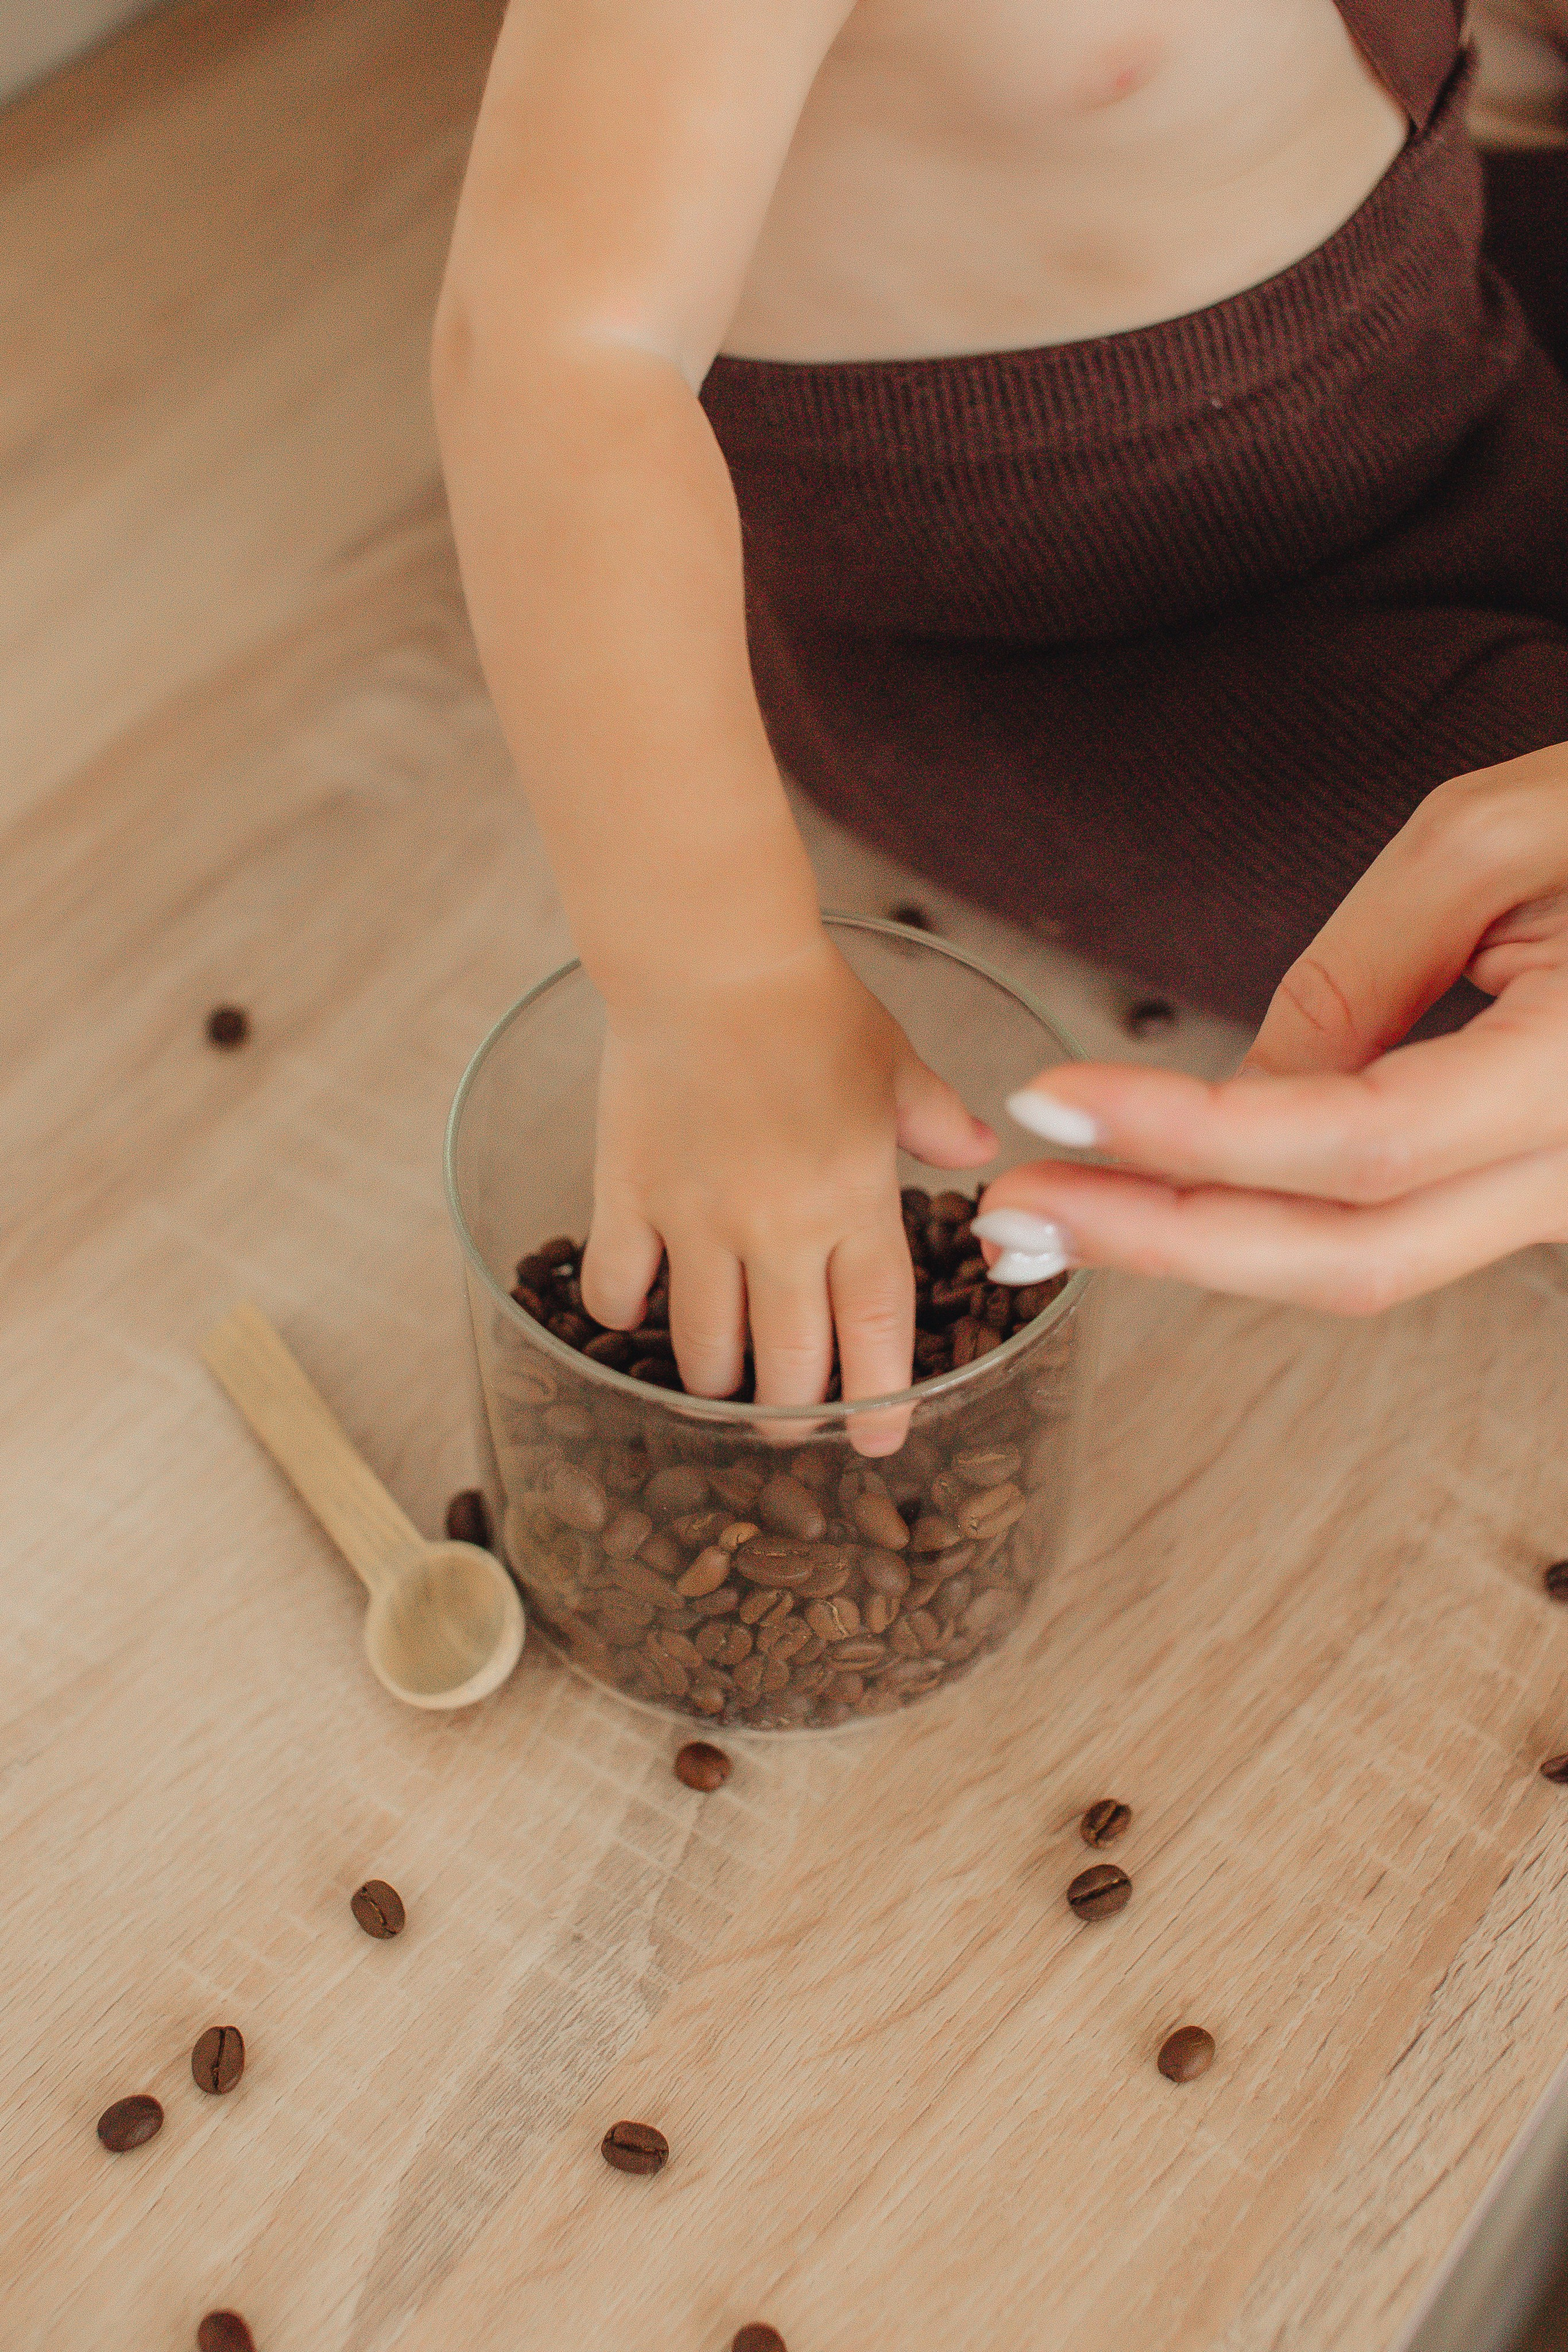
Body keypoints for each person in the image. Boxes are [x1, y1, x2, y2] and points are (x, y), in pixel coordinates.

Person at [432, 0, 1568, 1453]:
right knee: (1484, 1017)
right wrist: (714, 987)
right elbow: (558, 352)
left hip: (1455, 311)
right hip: (1116, 645)